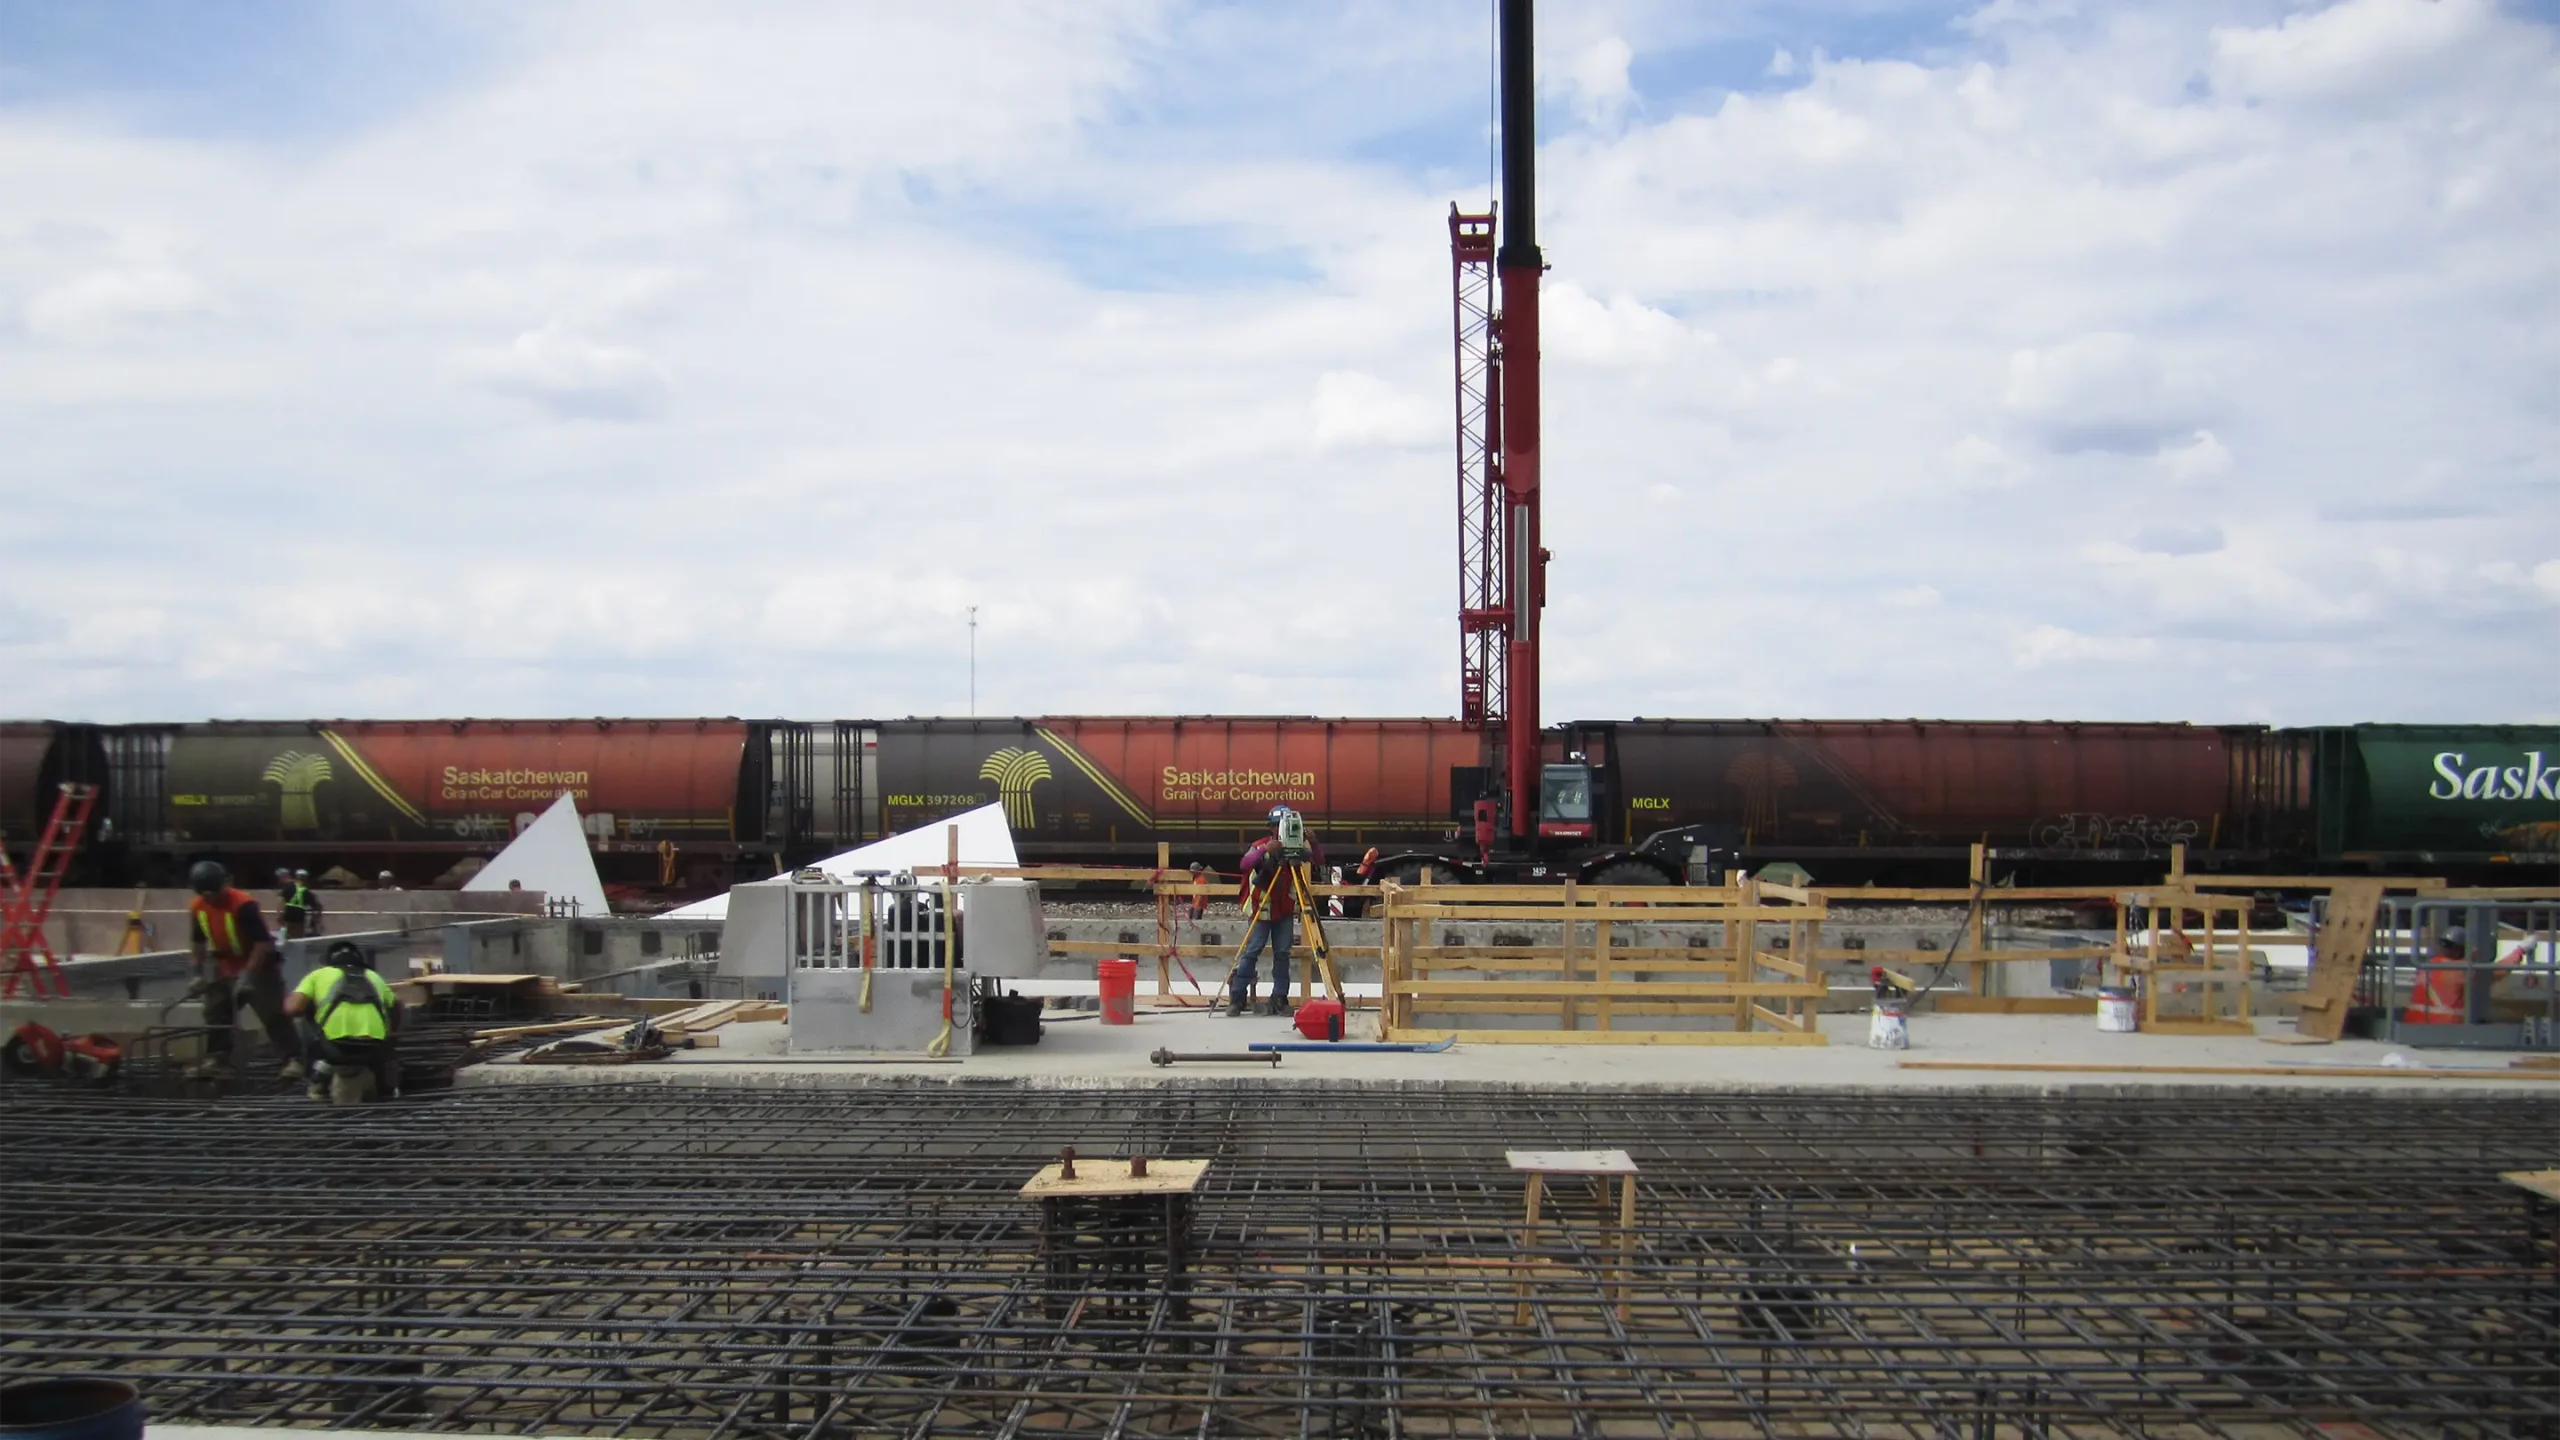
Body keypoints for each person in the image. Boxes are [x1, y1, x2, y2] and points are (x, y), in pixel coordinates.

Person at [187, 860, 298, 1079]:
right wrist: (197, 974)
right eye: (205, 894)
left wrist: (248, 976)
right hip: (225, 967)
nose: (210, 898)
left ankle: (294, 1059)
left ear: (223, 885)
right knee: (216, 1012)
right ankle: (218, 1060)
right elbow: (197, 943)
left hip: (258, 968)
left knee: (273, 1013)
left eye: (214, 892)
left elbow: (262, 943)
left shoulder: (243, 904)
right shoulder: (197, 907)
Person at [1230, 805, 1324, 1017]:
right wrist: (1266, 851)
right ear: (1272, 828)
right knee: (1251, 952)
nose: (1280, 831)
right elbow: (1245, 864)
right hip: (1261, 910)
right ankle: (1237, 997)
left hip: (1284, 911)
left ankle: (1280, 997)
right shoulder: (1260, 846)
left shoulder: (1296, 849)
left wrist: (1313, 842)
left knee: (1282, 953)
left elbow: (1319, 860)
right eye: (1276, 827)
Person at [285, 939, 401, 1105]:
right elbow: (397, 1005)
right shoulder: (375, 977)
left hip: (335, 1047)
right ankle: (387, 1084)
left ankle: (315, 1077)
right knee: (382, 1049)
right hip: (374, 1046)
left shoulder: (318, 975)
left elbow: (293, 1009)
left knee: (304, 1019)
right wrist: (391, 1031)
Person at [2407, 925, 2472, 1025]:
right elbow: (2493, 974)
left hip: (2412, 1025)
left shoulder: (2430, 964)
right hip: (2441, 1028)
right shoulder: (2459, 969)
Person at [276, 867, 319, 940]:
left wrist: (280, 916)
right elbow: (316, 906)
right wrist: (314, 919)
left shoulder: (288, 887)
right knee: (298, 938)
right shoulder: (306, 891)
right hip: (299, 916)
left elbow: (281, 904)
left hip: (288, 915)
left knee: (286, 936)